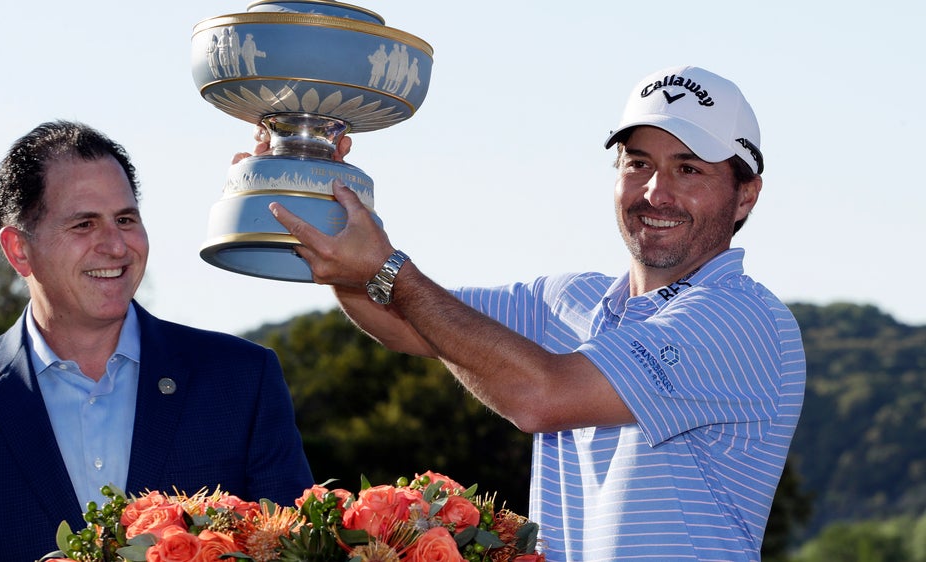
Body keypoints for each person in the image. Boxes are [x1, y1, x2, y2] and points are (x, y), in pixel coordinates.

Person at [267, 65, 806, 561]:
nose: (655, 192)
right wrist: (319, 199)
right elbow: (406, 321)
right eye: (638, 163)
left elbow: (540, 396)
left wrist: (387, 269)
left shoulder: (742, 319)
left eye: (688, 169)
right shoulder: (571, 299)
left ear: (745, 195)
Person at [0, 121, 313, 561]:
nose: (115, 246)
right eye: (84, 224)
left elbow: (293, 549)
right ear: (19, 249)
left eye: (125, 220)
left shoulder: (241, 381)